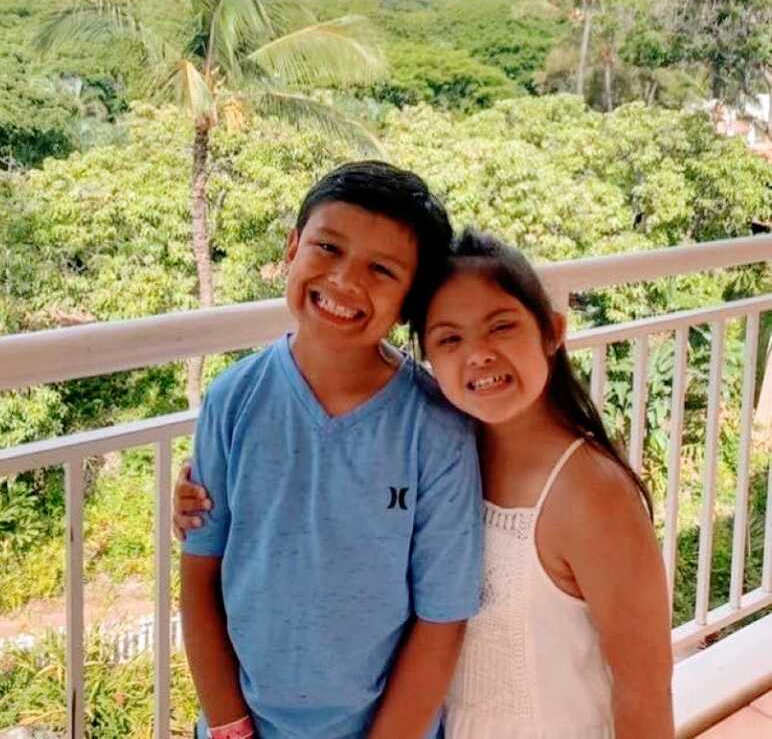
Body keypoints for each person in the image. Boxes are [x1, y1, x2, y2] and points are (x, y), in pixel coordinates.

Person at [177, 227, 674, 739]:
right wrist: (210, 497)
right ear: (427, 359)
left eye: (501, 327)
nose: (477, 355)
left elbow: (645, 692)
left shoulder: (592, 493)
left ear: (552, 331)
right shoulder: (439, 455)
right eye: (450, 339)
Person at [179, 161, 484, 739]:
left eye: (381, 269)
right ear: (292, 247)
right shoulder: (233, 400)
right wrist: (228, 726)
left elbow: (441, 618)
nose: (345, 281)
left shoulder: (435, 429)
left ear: (410, 298)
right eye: (327, 247)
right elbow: (200, 578)